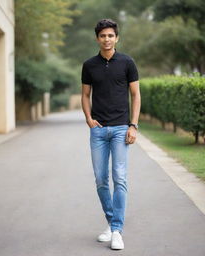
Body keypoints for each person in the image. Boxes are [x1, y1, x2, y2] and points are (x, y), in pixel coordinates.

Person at [81, 18, 141, 250]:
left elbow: (135, 95)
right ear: (97, 38)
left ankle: (117, 230)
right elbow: (86, 95)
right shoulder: (89, 65)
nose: (107, 39)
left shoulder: (127, 62)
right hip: (98, 130)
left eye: (110, 36)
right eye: (103, 36)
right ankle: (112, 222)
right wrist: (88, 118)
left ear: (116, 38)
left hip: (120, 129)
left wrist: (133, 125)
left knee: (120, 178)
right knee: (100, 179)